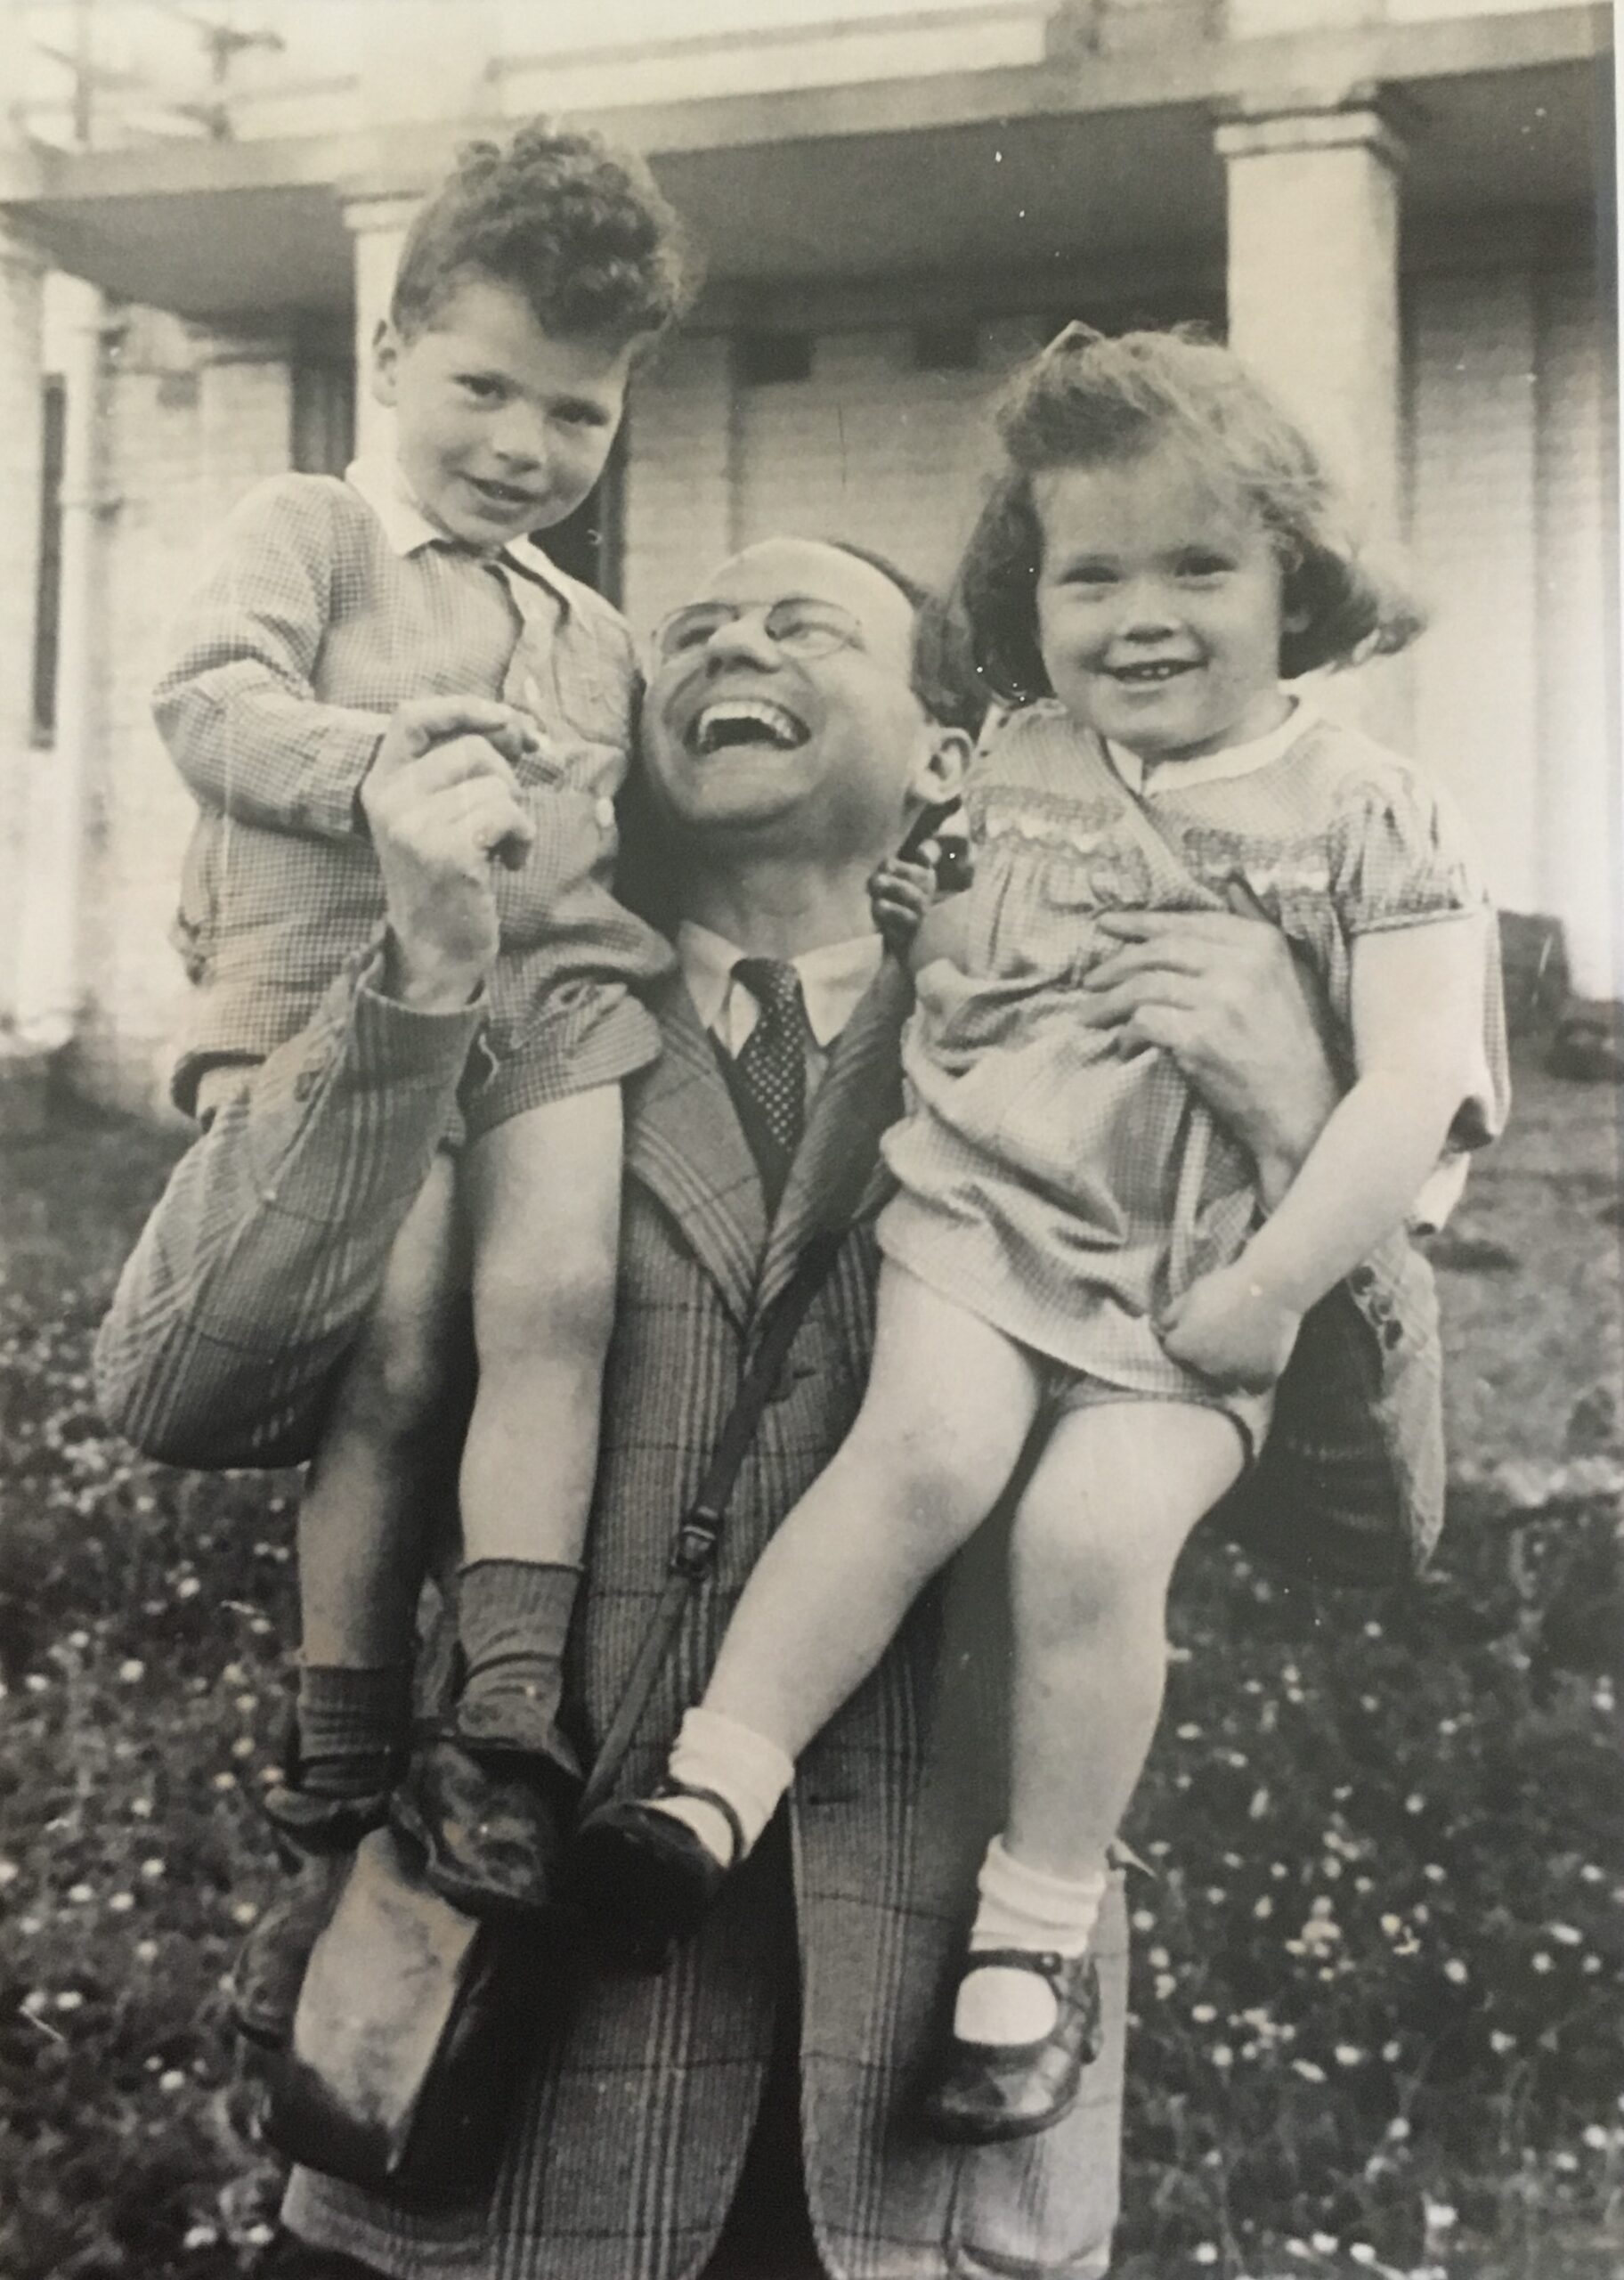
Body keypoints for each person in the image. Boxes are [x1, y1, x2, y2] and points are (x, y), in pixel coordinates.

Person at [97, 530, 1443, 2280]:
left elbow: (1367, 1522)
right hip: (492, 2104)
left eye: (802, 623)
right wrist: (416, 982)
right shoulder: (503, 999)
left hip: (919, 2125)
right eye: (693, 633)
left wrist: (1298, 1120)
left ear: (952, 753)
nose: (732, 647)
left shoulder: (1105, 1043)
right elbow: (180, 1384)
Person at [572, 328, 1510, 2146]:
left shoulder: (1373, 811)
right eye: (1091, 576)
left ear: (1296, 579)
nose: (1141, 618)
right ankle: (707, 1789)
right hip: (990, 1213)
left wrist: (1272, 1287)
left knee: (1089, 1534)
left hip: (1200, 1275)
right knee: (916, 1453)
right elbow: (958, 946)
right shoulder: (1017, 763)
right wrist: (935, 927)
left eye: (1199, 568)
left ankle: (1033, 1929)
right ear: (1029, 596)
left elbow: (1415, 1087)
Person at [150, 121, 694, 1984]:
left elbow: (646, 846)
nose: (525, 446)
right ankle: (339, 1764)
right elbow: (205, 700)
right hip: (342, 1014)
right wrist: (375, 760)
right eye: (485, 388)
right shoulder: (309, 529)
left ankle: (507, 1723)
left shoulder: (594, 632)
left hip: (543, 1011)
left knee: (561, 1299)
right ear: (390, 354)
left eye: (578, 414)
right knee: (390, 1356)